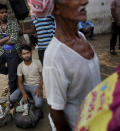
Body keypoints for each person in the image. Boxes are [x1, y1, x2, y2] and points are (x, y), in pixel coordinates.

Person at [43, 0, 101, 130]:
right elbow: (55, 111)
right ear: (56, 8)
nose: (85, 1)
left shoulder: (80, 37)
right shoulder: (54, 57)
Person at [0, 4, 22, 95]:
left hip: (14, 52)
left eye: (6, 12)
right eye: (2, 12)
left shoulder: (13, 23)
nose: (5, 14)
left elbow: (13, 40)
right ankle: (9, 71)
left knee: (12, 79)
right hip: (2, 52)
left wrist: (0, 41)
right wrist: (6, 38)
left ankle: (13, 97)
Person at [10, 45, 43, 109]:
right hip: (25, 85)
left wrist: (39, 88)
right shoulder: (20, 66)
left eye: (27, 53)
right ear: (21, 55)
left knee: (39, 104)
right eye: (24, 54)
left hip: (36, 86)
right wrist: (23, 93)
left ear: (31, 53)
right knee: (12, 98)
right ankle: (27, 97)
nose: (26, 55)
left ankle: (31, 98)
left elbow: (43, 77)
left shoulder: (37, 62)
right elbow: (19, 81)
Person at [25, 0, 56, 65]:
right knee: (46, 71)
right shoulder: (33, 14)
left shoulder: (48, 10)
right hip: (41, 48)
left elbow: (57, 23)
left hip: (51, 47)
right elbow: (39, 28)